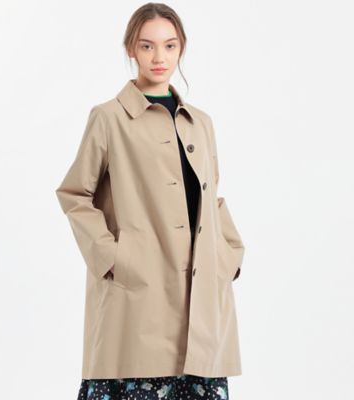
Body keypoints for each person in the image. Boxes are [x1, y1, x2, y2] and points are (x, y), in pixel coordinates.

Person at [55, 3, 245, 400]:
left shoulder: (201, 123)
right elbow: (75, 193)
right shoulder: (109, 118)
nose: (159, 57)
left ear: (181, 49)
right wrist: (112, 257)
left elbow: (211, 195)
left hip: (202, 304)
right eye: (147, 46)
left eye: (169, 46)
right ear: (131, 49)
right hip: (136, 301)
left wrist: (229, 254)